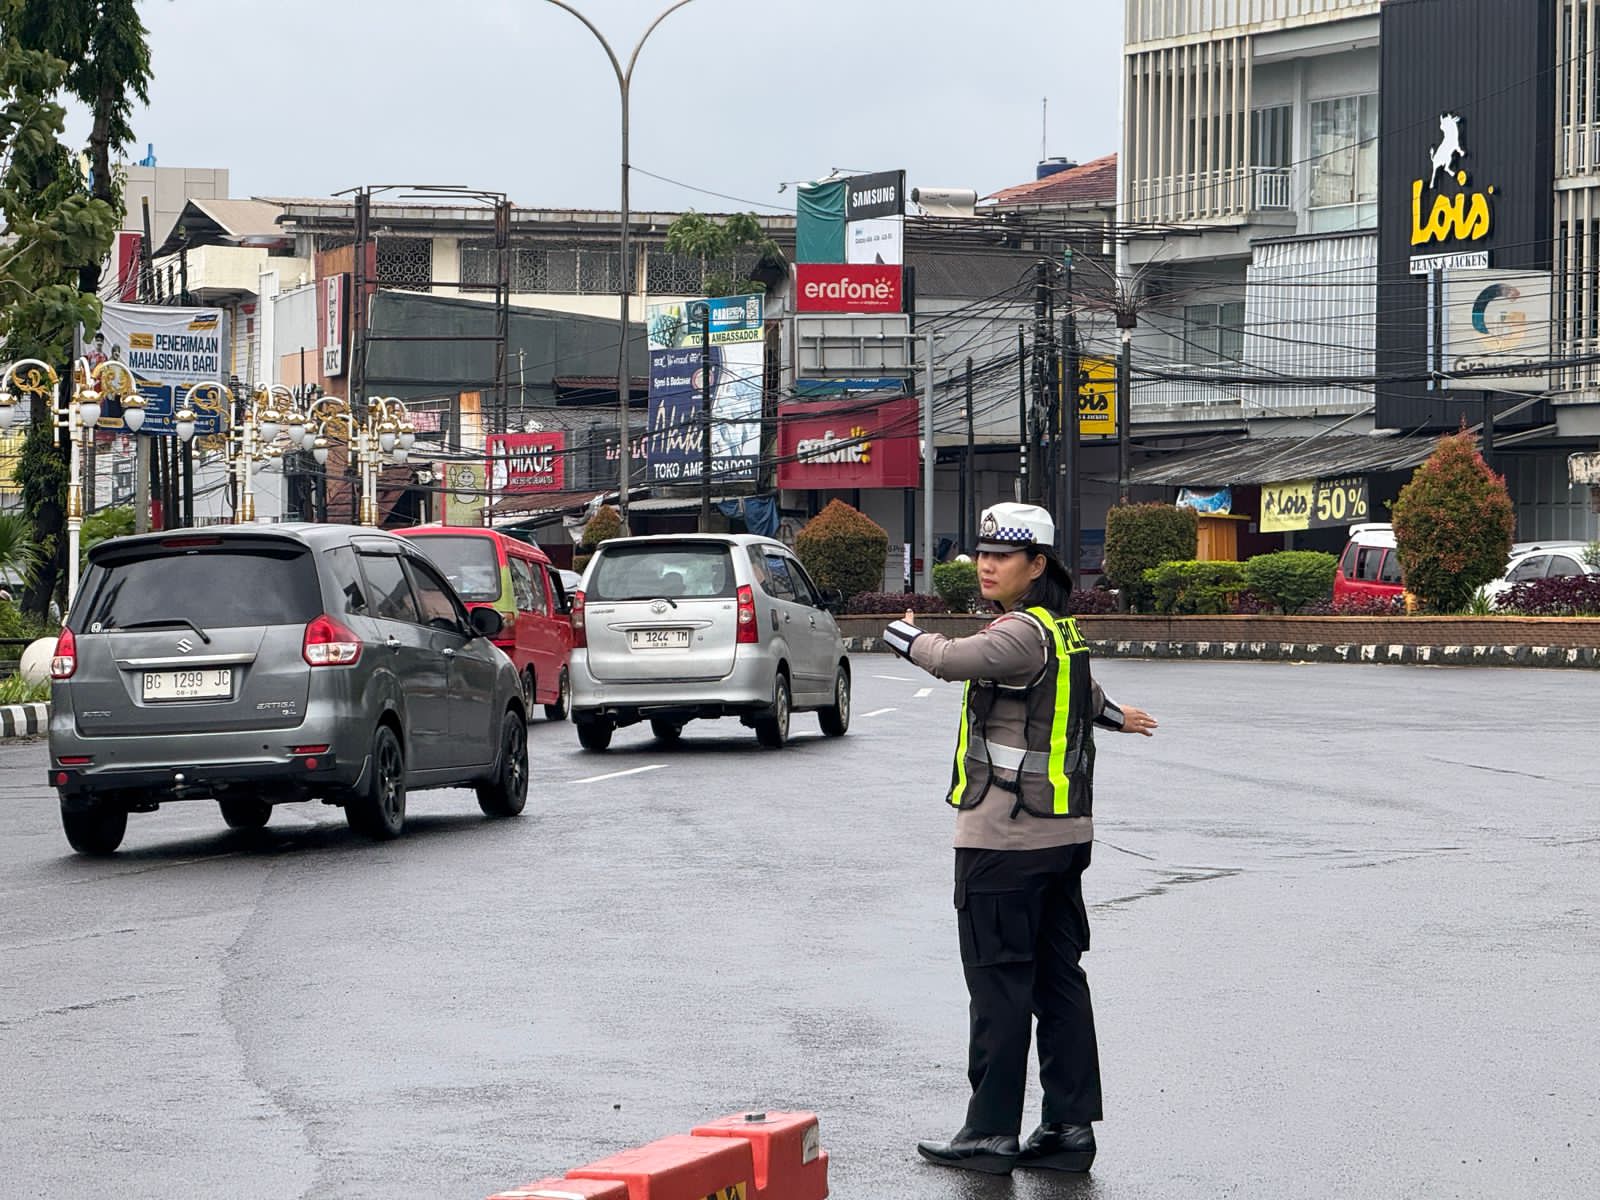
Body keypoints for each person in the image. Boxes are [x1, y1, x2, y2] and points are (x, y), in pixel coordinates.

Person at [881, 502, 1158, 1177]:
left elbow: (951, 659)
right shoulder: (1062, 632)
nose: (986, 564)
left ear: (1037, 566)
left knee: (1000, 987)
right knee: (1058, 983)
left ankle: (989, 1133)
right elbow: (1084, 695)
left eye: (1003, 555)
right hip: (1063, 838)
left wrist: (899, 632)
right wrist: (1117, 716)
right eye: (982, 553)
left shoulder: (1018, 633)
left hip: (1004, 842)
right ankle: (1067, 1129)